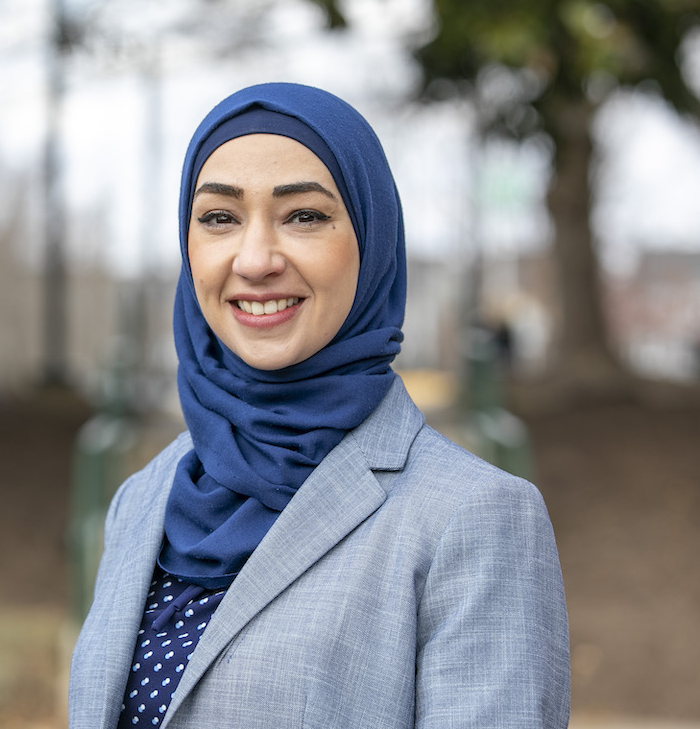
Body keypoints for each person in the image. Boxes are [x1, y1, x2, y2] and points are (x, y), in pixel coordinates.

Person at [68, 82, 570, 728]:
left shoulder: (473, 520)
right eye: (219, 218)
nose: (254, 260)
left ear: (372, 240)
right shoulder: (143, 499)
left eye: (303, 216)